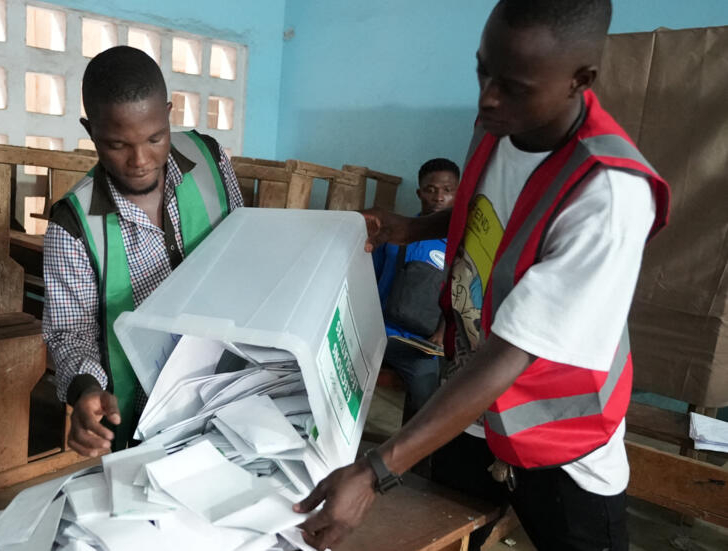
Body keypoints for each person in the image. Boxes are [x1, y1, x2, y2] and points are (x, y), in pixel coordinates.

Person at [294, 1, 671, 549]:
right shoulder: (501, 121)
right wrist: (415, 226)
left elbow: (512, 354)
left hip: (558, 440)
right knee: (448, 533)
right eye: (482, 70)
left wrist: (376, 469)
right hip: (470, 407)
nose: (487, 96)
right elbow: (492, 214)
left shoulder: (608, 194)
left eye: (512, 85)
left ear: (580, 81)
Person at [42, 46, 244, 457]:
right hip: (141, 411)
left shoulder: (210, 160)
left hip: (233, 382)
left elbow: (241, 248)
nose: (140, 160)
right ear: (90, 129)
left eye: (155, 138)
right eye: (118, 144)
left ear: (168, 114)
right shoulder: (73, 226)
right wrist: (85, 391)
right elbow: (71, 333)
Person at [373, 158, 458, 425]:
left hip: (420, 343)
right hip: (378, 333)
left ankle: (413, 463)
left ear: (458, 193)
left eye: (447, 190)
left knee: (426, 400)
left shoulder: (457, 245)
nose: (438, 197)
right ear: (419, 192)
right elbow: (369, 281)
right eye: (431, 189)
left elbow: (458, 294)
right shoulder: (396, 235)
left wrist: (442, 334)